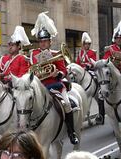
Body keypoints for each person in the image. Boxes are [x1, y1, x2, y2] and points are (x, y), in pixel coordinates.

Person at [30, 12, 79, 144]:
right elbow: (31, 69)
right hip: (41, 87)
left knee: (67, 104)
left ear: (50, 42)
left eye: (45, 41)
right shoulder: (33, 54)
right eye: (41, 41)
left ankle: (71, 132)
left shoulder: (56, 53)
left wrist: (56, 73)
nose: (43, 44)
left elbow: (63, 71)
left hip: (55, 84)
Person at [76, 32, 105, 125]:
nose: (87, 46)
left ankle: (99, 89)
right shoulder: (80, 53)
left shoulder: (92, 52)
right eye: (86, 44)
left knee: (96, 78)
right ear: (83, 44)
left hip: (91, 70)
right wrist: (81, 66)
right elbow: (77, 63)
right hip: (82, 71)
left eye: (88, 44)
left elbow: (94, 62)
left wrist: (88, 64)